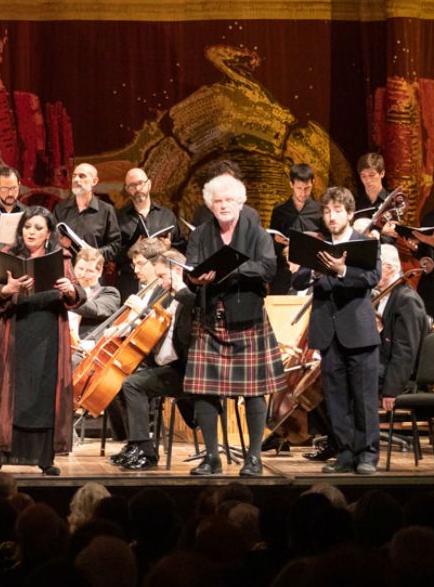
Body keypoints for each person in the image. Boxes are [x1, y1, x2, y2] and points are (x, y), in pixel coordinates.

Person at [184, 174, 286, 477]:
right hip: (209, 319)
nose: (223, 205)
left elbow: (268, 268)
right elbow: (189, 270)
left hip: (247, 319)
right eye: (217, 201)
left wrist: (230, 269)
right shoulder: (200, 234)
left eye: (229, 200)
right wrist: (194, 279)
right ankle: (212, 458)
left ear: (239, 203)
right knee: (203, 391)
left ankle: (253, 458)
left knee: (255, 392)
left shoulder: (256, 233)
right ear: (210, 205)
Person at [0, 205, 84, 474]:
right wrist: (8, 289)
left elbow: (78, 293)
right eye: (27, 227)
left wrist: (70, 290)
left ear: (48, 233)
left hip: (47, 333)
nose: (31, 232)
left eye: (38, 228)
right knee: (10, 394)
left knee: (44, 394)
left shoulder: (62, 259)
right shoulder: (9, 257)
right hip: (14, 333)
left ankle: (45, 458)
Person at [291, 188, 382, 474]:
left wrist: (342, 271)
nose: (332, 216)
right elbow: (298, 279)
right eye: (328, 211)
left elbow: (372, 277)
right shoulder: (316, 245)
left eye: (338, 211)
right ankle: (344, 454)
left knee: (364, 398)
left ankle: (367, 455)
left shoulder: (363, 243)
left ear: (350, 214)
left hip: (358, 331)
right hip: (328, 332)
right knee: (337, 397)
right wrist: (316, 271)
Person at [112, 242, 196, 471]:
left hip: (183, 371)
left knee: (132, 384)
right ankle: (136, 445)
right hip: (163, 364)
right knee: (121, 380)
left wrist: (144, 312)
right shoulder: (168, 295)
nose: (160, 281)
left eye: (162, 275)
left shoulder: (187, 297)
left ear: (177, 271)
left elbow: (181, 341)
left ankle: (145, 451)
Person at [375, 244, 430, 412]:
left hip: (398, 379)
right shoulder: (381, 295)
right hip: (381, 368)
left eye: (373, 267)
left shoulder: (406, 299)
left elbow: (405, 350)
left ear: (389, 268)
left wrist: (391, 390)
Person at [116, 167, 185, 297]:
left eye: (140, 183)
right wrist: (131, 249)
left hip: (161, 280)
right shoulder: (119, 217)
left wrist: (168, 248)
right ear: (127, 190)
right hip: (132, 281)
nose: (137, 188)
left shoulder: (166, 215)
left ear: (149, 184)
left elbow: (181, 247)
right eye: (132, 185)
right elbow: (114, 256)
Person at [267, 164, 323, 295]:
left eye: (307, 188)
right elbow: (272, 247)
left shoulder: (319, 210)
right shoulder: (279, 211)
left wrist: (318, 237)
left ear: (313, 183)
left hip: (310, 272)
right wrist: (278, 241)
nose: (303, 193)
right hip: (284, 273)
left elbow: (326, 240)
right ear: (291, 184)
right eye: (299, 188)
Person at [53, 162, 121, 263]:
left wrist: (95, 253)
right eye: (74, 176)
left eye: (82, 176)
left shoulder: (106, 210)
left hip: (92, 272)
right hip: (66, 273)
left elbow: (115, 246)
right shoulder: (60, 208)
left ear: (94, 181)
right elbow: (49, 241)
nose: (76, 180)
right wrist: (60, 244)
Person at [407, 165, 434, 322]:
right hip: (429, 284)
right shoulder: (429, 216)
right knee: (428, 330)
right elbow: (424, 252)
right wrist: (415, 248)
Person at [70, 247, 121, 346]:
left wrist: (70, 296)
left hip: (84, 349)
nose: (83, 274)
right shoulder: (66, 290)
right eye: (80, 268)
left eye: (89, 271)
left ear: (100, 271)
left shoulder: (110, 293)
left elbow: (94, 309)